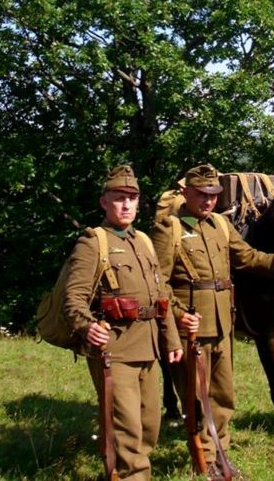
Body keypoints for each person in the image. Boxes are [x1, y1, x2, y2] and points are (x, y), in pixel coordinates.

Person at [152, 164, 274, 480]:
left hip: (223, 325)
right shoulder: (169, 229)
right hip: (193, 328)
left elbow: (250, 258)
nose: (208, 201)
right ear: (186, 193)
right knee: (197, 398)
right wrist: (181, 316)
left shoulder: (221, 227)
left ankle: (221, 455)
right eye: (201, 195)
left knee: (224, 397)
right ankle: (206, 460)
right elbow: (158, 284)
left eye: (213, 195)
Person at [63, 165, 180, 481]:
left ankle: (122, 471)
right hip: (114, 352)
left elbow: (161, 295)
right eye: (119, 198)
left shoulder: (143, 239)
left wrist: (172, 340)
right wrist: (87, 326)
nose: (126, 204)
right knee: (127, 431)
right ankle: (132, 475)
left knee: (149, 427)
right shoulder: (92, 243)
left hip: (149, 349)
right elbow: (73, 298)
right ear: (104, 202)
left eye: (132, 197)